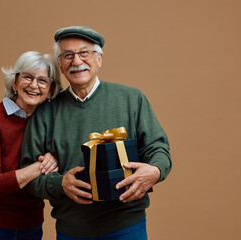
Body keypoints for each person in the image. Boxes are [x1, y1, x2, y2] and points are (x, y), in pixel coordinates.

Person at [20, 26, 172, 239]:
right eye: (67, 55)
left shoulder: (132, 98)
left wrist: (155, 170)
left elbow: (158, 149)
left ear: (99, 59)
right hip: (71, 230)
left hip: (126, 226)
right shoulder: (45, 112)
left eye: (84, 53)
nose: (76, 61)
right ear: (61, 66)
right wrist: (60, 184)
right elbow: (27, 173)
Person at [0, 51, 63, 240]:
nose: (34, 85)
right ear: (15, 82)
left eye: (43, 80)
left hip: (30, 226)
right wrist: (41, 167)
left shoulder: (49, 125)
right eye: (28, 77)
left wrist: (56, 158)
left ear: (51, 90)